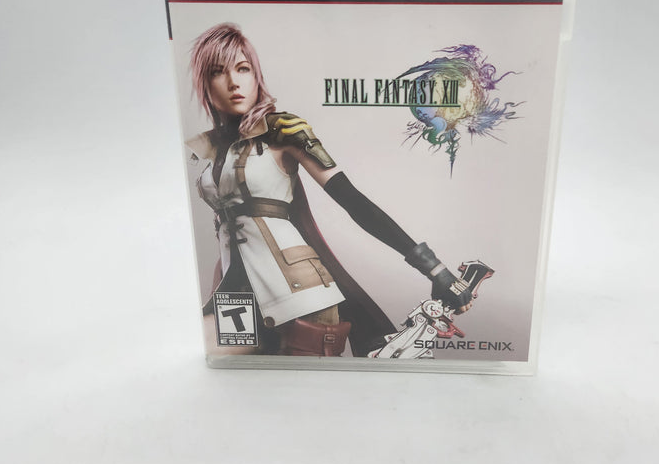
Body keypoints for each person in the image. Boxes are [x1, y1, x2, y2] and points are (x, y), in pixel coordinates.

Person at [187, 22, 474, 357]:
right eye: (218, 72)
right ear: (205, 84)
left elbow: (352, 200)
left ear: (256, 76)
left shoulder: (282, 132)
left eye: (243, 69)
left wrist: (434, 269)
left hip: (301, 295)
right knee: (212, 361)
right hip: (241, 295)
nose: (234, 82)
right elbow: (232, 234)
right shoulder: (211, 152)